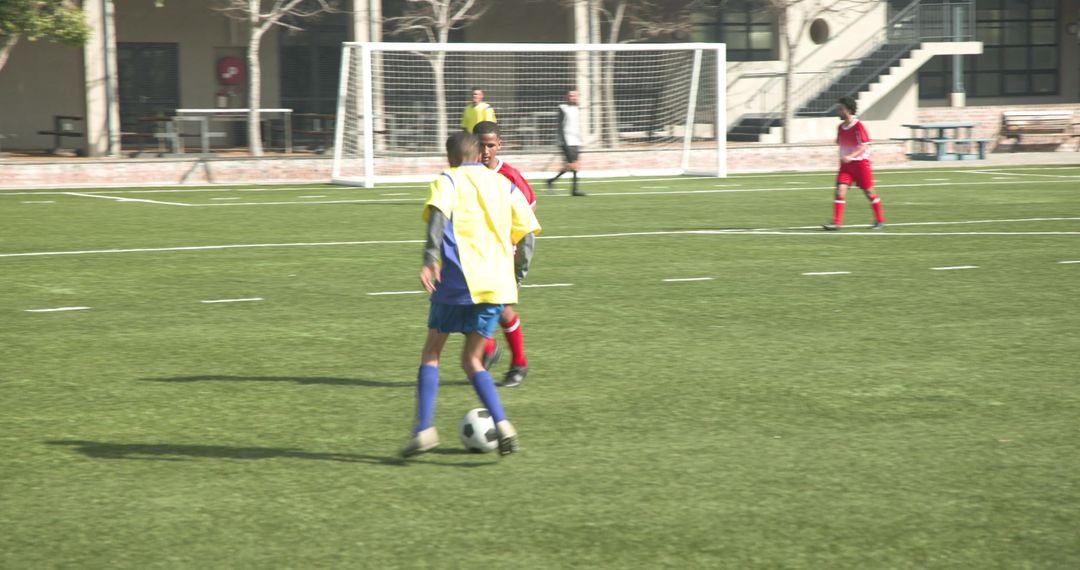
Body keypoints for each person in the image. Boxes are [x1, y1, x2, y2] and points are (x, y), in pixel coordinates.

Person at [401, 132, 541, 458]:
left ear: (450, 158)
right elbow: (528, 235)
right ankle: (503, 424)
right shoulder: (504, 184)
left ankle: (423, 429)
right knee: (473, 360)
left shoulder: (448, 180)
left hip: (458, 282)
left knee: (431, 354)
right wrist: (516, 275)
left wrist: (429, 259)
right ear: (479, 155)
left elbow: (437, 216)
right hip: (497, 285)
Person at [473, 121, 536, 388]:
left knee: (501, 309)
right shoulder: (467, 174)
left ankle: (518, 363)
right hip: (476, 253)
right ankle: (488, 349)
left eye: (490, 145)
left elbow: (528, 219)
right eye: (480, 145)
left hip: (505, 254)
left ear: (499, 145)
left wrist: (518, 257)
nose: (485, 150)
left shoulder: (510, 176)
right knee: (469, 306)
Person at [824, 97, 885, 231]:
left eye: (841, 109)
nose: (838, 111)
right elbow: (839, 142)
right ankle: (836, 223)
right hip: (846, 166)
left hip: (860, 164)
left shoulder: (858, 126)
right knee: (840, 190)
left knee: (869, 192)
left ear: (849, 110)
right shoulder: (840, 127)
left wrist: (850, 156)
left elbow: (864, 145)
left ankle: (880, 220)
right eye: (838, 109)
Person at [547, 90, 585, 197]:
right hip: (566, 141)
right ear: (566, 97)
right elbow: (560, 127)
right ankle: (573, 190)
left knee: (573, 166)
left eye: (574, 96)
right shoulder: (562, 108)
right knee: (573, 165)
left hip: (576, 141)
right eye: (570, 96)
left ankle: (551, 181)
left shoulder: (577, 109)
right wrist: (564, 142)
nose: (572, 97)